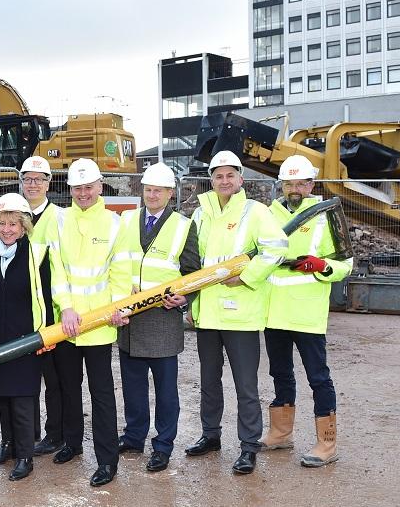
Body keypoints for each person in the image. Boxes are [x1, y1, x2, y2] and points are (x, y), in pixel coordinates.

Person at [184, 150, 288, 475]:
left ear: (240, 179)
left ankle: (248, 446)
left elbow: (277, 249)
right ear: (211, 180)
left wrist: (245, 277)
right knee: (209, 382)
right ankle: (210, 435)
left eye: (230, 175)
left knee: (245, 386)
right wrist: (191, 304)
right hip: (208, 314)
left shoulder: (255, 212)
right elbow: (192, 261)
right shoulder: (200, 214)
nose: (224, 181)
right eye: (219, 176)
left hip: (240, 314)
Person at [259, 155, 351, 467]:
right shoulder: (268, 214)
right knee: (280, 374)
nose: (294, 189)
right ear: (281, 186)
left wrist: (323, 265)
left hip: (308, 313)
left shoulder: (327, 215)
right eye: (289, 183)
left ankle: (327, 443)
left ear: (311, 184)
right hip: (274, 313)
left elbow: (345, 264)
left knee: (318, 378)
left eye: (301, 183)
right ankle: (281, 434)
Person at [48, 158, 133, 487]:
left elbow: (120, 271)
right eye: (77, 188)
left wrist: (118, 307)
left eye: (88, 187)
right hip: (67, 325)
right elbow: (57, 270)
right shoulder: (60, 220)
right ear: (70, 190)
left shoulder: (115, 224)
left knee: (101, 396)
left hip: (99, 326)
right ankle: (72, 443)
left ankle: (107, 461)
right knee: (68, 389)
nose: (83, 193)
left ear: (100, 187)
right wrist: (66, 308)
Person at [115, 163, 201, 473]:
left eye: (159, 190)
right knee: (133, 387)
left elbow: (192, 272)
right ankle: (134, 436)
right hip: (131, 321)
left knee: (166, 391)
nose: (152, 195)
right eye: (148, 189)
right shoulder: (125, 220)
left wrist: (186, 297)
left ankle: (163, 445)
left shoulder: (182, 225)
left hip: (162, 319)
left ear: (170, 193)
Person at [0, 193, 54, 481]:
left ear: (24, 227)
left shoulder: (37, 253)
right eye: (3, 223)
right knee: (2, 395)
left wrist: (46, 333)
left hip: (26, 338)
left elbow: (46, 295)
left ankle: (24, 455)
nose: (7, 229)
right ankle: (7, 445)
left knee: (21, 397)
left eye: (13, 224)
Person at [19, 156, 64, 457]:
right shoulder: (14, 214)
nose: (33, 184)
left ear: (48, 183)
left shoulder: (60, 217)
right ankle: (26, 434)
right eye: (28, 179)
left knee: (54, 377)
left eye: (39, 179)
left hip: (50, 308)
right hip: (23, 308)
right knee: (24, 376)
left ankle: (55, 433)